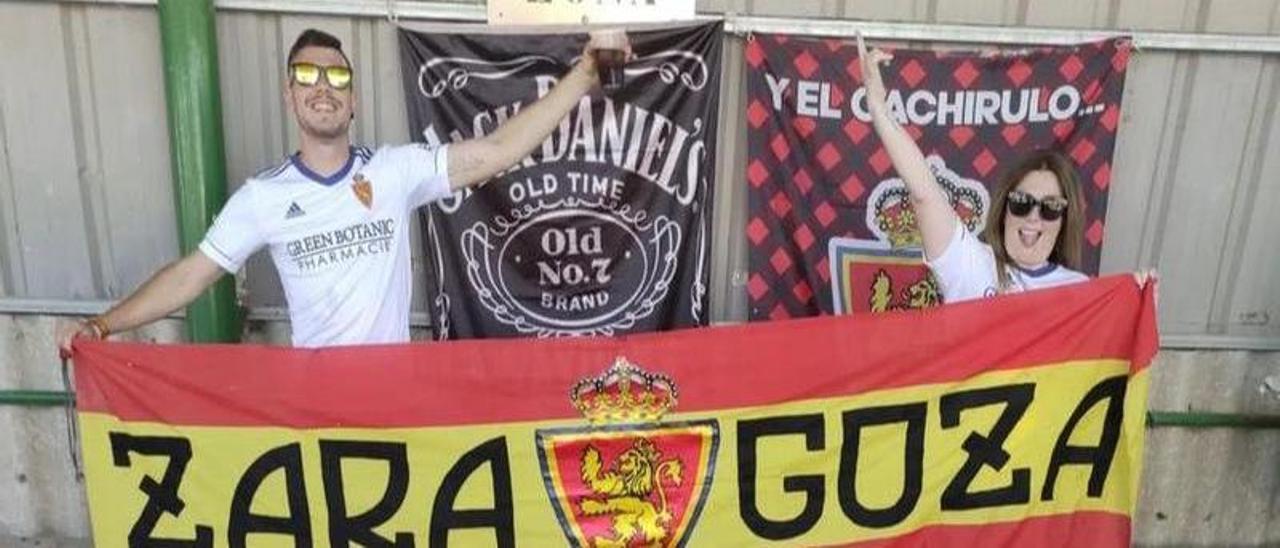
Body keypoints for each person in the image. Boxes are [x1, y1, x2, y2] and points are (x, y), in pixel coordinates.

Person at [57, 28, 624, 350]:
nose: (323, 87)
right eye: (307, 75)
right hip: (316, 405)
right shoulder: (263, 198)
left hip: (394, 396)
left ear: (354, 100)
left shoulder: (395, 170)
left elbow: (497, 152)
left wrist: (584, 76)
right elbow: (190, 276)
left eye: (337, 77)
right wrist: (103, 324)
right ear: (289, 96)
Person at [856, 34, 1089, 303]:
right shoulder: (972, 263)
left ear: (1064, 219)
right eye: (1022, 202)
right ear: (1004, 209)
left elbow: (1123, 343)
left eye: (1051, 208)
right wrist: (878, 109)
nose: (1033, 217)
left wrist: (1137, 296)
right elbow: (925, 194)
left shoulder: (1081, 291)